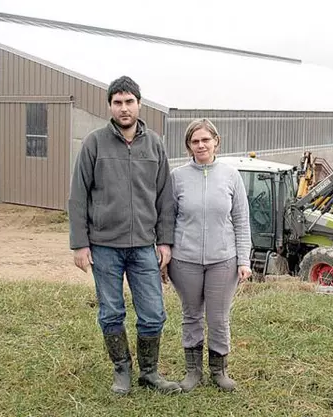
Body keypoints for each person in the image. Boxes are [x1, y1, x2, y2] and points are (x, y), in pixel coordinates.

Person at [68, 75, 180, 395]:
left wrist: (165, 240)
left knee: (154, 313)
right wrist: (79, 243)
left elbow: (165, 197)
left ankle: (149, 372)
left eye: (129, 101)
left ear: (139, 104)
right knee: (111, 311)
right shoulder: (94, 143)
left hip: (144, 246)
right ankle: (122, 371)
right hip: (105, 247)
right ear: (110, 106)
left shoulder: (154, 144)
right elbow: (78, 195)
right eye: (117, 102)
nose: (124, 108)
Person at [168, 118, 252, 392]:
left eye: (206, 140)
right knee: (191, 315)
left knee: (218, 317)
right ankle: (193, 371)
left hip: (223, 261)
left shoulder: (231, 176)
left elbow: (241, 220)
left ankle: (220, 370)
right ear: (188, 146)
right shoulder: (177, 177)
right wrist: (166, 253)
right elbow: (167, 219)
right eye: (195, 141)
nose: (201, 145)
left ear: (216, 141)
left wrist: (243, 260)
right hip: (185, 261)